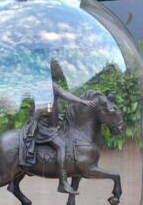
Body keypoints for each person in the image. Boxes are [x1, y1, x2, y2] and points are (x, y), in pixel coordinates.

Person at [22, 61, 94, 195]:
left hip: (49, 126)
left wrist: (59, 115)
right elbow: (42, 108)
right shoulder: (43, 88)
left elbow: (62, 97)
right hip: (42, 129)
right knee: (61, 145)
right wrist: (81, 101)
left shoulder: (47, 86)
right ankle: (63, 182)